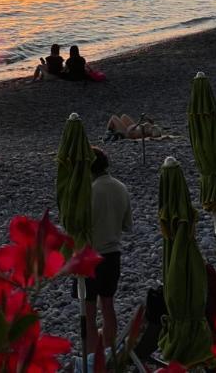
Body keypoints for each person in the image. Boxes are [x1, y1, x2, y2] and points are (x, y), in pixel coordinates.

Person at [82, 148, 132, 355]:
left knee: (89, 311)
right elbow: (127, 225)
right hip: (113, 255)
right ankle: (110, 351)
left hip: (91, 257)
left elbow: (80, 226)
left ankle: (92, 358)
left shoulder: (89, 192)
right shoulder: (121, 187)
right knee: (108, 305)